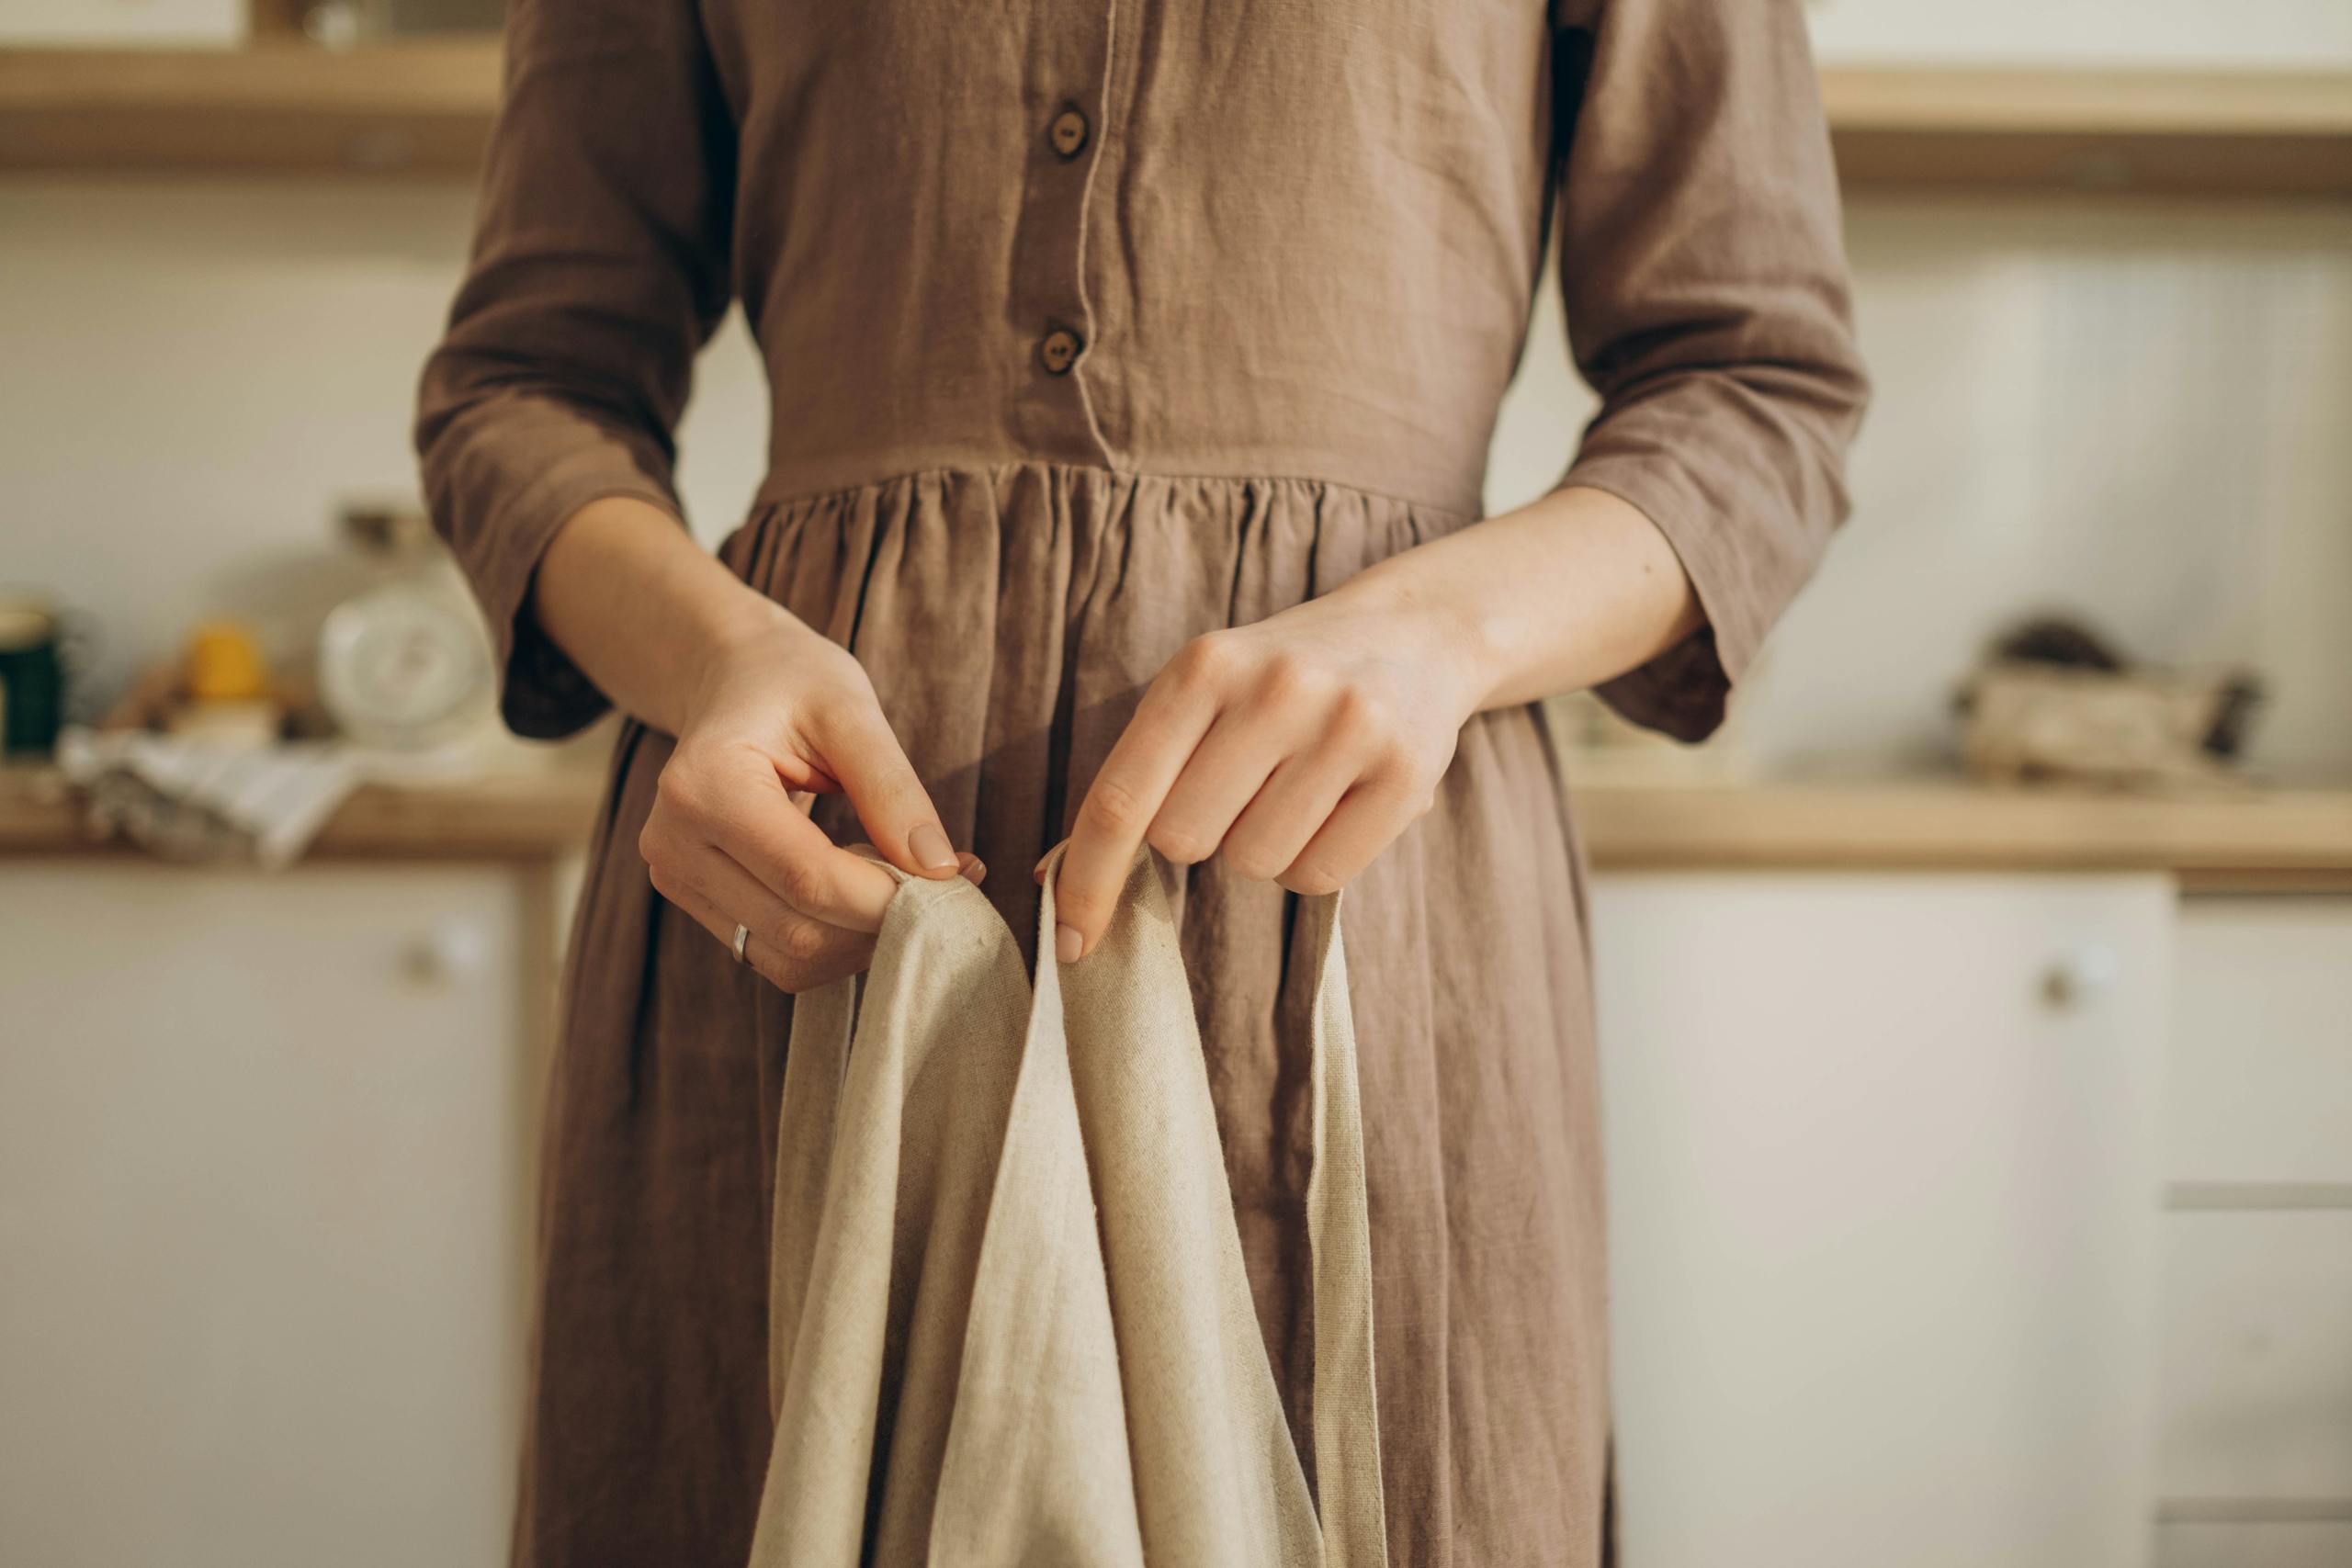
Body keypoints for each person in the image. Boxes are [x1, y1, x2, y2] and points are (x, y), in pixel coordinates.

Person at [417, 1, 1866, 1562]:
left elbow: (1757, 391)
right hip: (805, 892)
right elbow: (524, 389)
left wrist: (1436, 635)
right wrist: (710, 664)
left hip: (1344, 905)